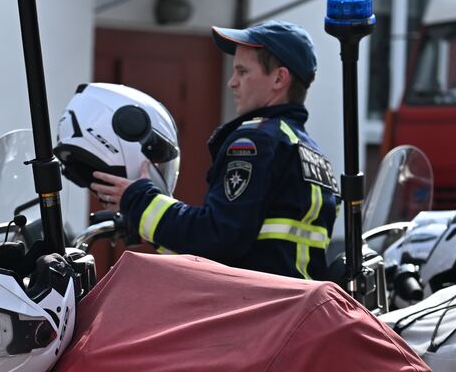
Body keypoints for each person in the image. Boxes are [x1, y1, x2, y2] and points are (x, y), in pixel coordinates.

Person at [89, 20, 339, 281]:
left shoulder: (255, 141)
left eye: (242, 72)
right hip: (294, 309)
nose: (232, 82)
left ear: (279, 78)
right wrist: (148, 227)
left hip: (255, 311)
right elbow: (248, 245)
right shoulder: (311, 152)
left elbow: (217, 238)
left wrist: (139, 199)